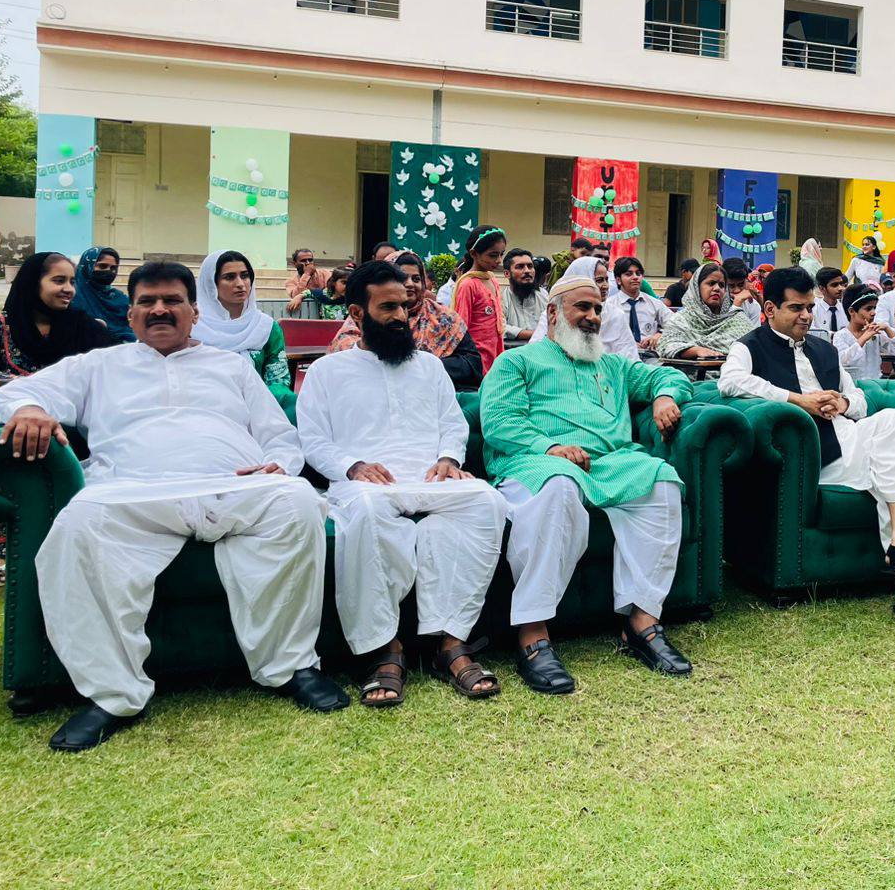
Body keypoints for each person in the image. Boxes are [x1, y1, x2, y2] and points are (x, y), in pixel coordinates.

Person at [0, 261, 347, 751]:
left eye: (172, 301)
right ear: (131, 314)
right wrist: (30, 410)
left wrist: (279, 465)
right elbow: (20, 392)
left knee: (298, 501)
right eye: (147, 302)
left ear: (194, 311)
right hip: (134, 493)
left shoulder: (231, 367)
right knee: (78, 524)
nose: (159, 309)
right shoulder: (99, 365)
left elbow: (279, 435)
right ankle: (112, 695)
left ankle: (291, 667)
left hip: (232, 488)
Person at [298, 262, 508, 705]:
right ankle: (385, 650)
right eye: (388, 307)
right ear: (357, 313)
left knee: (486, 501)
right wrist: (352, 465)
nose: (400, 316)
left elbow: (453, 424)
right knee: (367, 511)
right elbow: (313, 440)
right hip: (366, 485)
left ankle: (450, 641)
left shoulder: (429, 366)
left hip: (429, 478)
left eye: (404, 307)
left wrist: (449, 459)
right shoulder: (326, 372)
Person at [481, 274, 696, 691]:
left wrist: (665, 396)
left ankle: (641, 621)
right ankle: (532, 632)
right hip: (536, 463)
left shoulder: (612, 365)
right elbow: (499, 421)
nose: (593, 316)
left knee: (661, 481)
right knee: (560, 486)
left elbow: (667, 377)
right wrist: (551, 447)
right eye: (582, 307)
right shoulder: (517, 362)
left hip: (609, 464)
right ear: (553, 313)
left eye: (597, 308)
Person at [719, 267, 895, 635]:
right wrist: (798, 400)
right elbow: (730, 382)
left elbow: (860, 400)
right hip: (814, 455)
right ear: (769, 309)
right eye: (796, 308)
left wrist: (842, 403)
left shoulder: (824, 348)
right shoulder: (748, 346)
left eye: (809, 308)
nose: (806, 316)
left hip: (849, 438)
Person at [328, 250, 484, 391]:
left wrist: (422, 367)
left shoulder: (443, 317)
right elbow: (349, 360)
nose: (410, 284)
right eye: (403, 277)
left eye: (416, 278)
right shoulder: (363, 319)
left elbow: (472, 364)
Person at [0, 252, 114, 378]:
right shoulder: (0, 327)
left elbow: (107, 371)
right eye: (59, 281)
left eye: (72, 282)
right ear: (33, 283)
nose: (69, 289)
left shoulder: (85, 327)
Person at [192, 251, 290, 396]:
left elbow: (278, 381)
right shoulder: (194, 328)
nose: (240, 284)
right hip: (204, 404)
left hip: (259, 404)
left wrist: (256, 402)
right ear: (211, 283)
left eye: (245, 276)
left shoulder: (265, 327)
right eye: (229, 277)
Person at [658, 260, 757, 359]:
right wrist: (695, 350)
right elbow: (665, 346)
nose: (717, 288)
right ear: (697, 287)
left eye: (722, 285)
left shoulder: (737, 319)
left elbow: (754, 347)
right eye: (711, 283)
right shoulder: (681, 320)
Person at [451, 225, 508, 373]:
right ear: (474, 253)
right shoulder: (468, 285)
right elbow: (461, 327)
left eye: (501, 254)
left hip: (496, 351)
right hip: (476, 356)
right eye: (493, 255)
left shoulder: (492, 279)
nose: (499, 260)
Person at [604, 255, 672, 361]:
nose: (635, 277)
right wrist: (627, 344)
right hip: (619, 358)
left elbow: (675, 324)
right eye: (629, 274)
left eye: (638, 273)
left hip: (650, 357)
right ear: (618, 280)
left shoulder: (654, 303)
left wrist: (659, 335)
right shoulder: (608, 306)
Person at [835, 284, 895, 380]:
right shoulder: (841, 335)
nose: (873, 313)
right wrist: (863, 338)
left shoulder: (876, 333)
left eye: (874, 308)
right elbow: (844, 361)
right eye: (868, 309)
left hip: (875, 384)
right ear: (852, 311)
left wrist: (887, 328)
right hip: (852, 385)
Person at [72, 246, 133, 344]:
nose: (109, 271)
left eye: (113, 268)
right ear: (87, 267)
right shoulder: (73, 296)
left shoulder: (119, 298)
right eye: (102, 266)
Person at [500, 248, 544, 343]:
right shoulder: (500, 299)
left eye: (530, 266)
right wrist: (536, 334)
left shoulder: (544, 296)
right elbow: (500, 327)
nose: (527, 271)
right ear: (507, 274)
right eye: (520, 267)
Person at [285, 247, 330, 316]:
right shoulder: (291, 281)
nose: (308, 263)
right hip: (304, 314)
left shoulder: (325, 273)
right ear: (295, 264)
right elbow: (295, 296)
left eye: (310, 260)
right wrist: (307, 274)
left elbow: (330, 292)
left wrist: (303, 295)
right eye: (303, 260)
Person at [721, 256, 763, 324]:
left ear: (746, 280)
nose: (737, 290)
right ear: (723, 283)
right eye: (731, 286)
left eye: (741, 285)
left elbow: (754, 330)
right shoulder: (715, 302)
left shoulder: (753, 305)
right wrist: (736, 304)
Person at [811, 266, 849, 337]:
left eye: (841, 284)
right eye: (834, 285)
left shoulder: (848, 309)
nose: (840, 288)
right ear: (822, 288)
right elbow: (811, 333)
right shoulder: (813, 310)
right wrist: (835, 335)